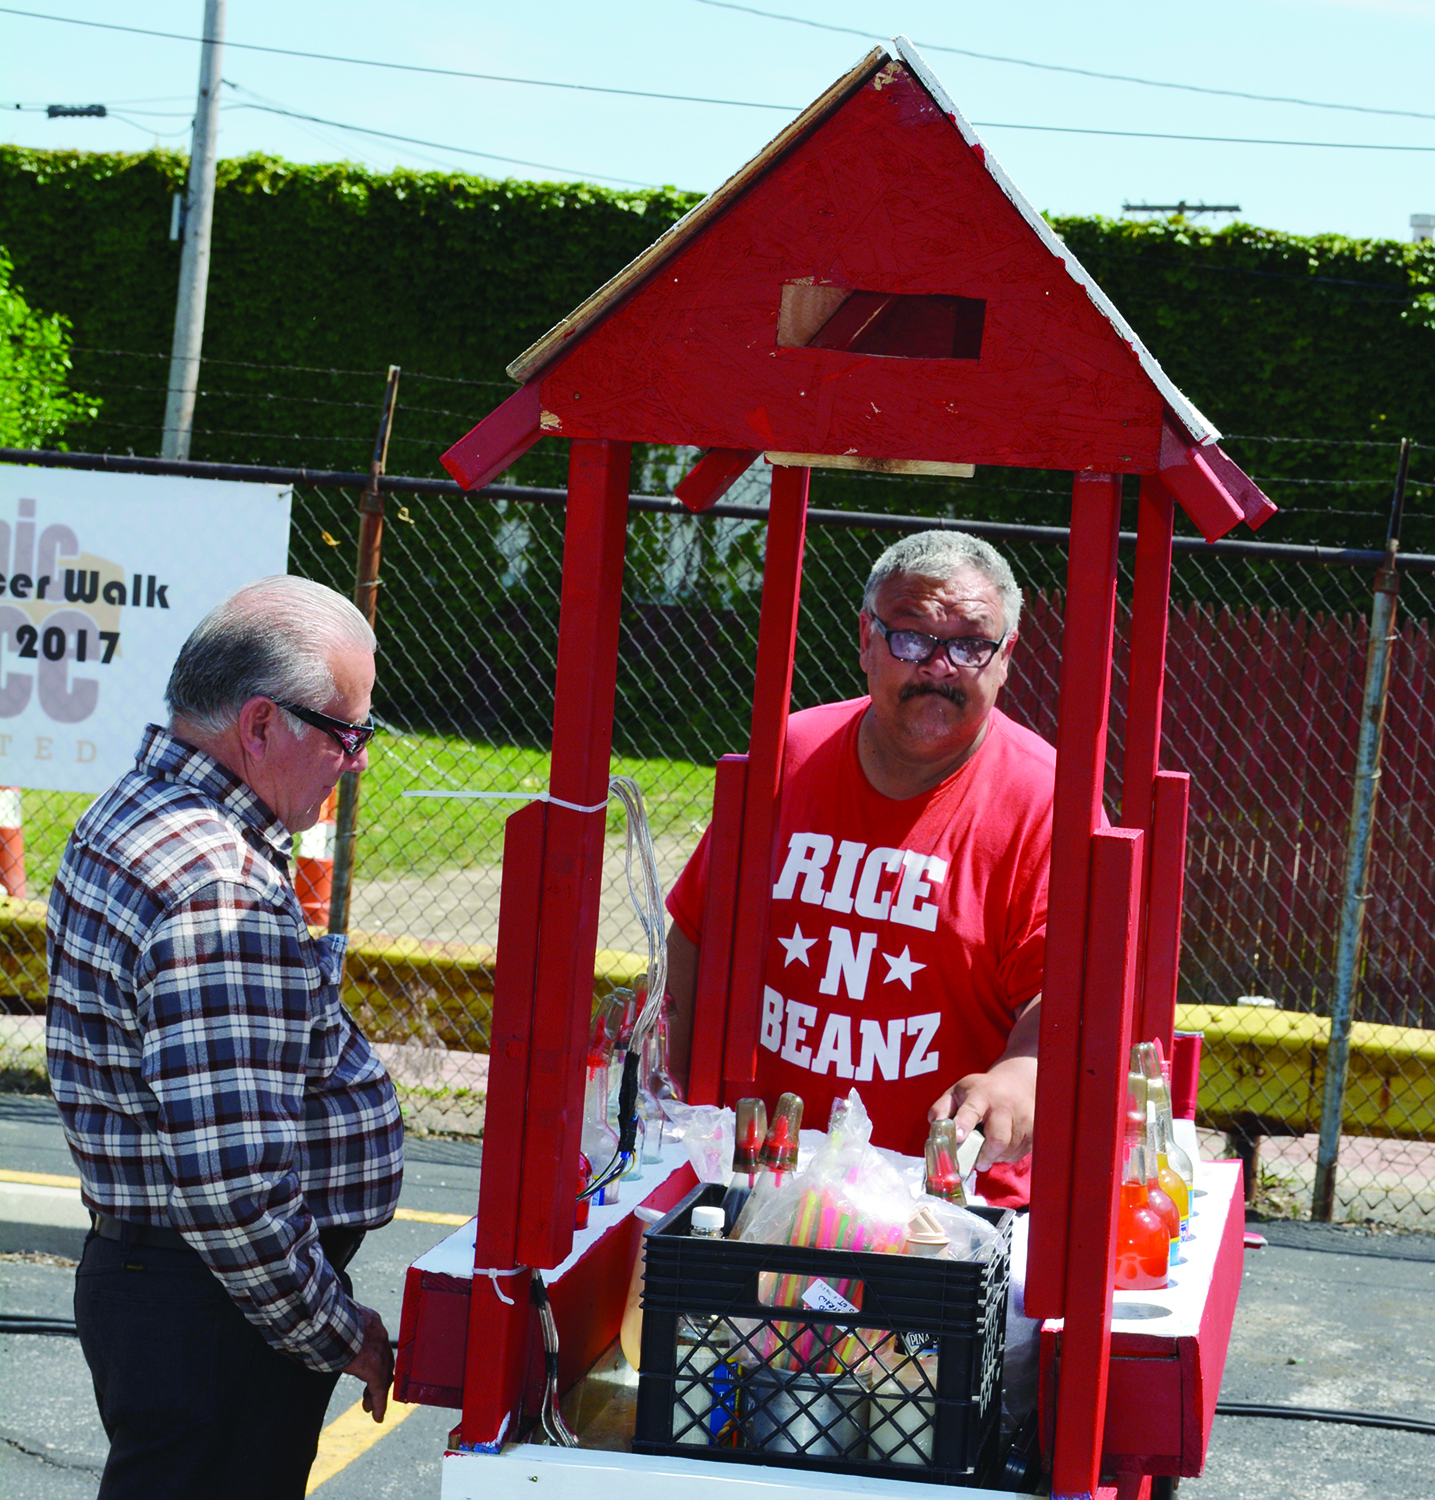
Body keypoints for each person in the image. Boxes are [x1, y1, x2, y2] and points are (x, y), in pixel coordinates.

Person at [46, 575, 404, 1500]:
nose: (356, 760)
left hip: (174, 1290)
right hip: (216, 1314)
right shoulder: (219, 883)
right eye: (347, 732)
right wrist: (335, 1329)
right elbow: (233, 1190)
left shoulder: (131, 812)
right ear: (258, 725)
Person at [665, 530, 1053, 1206]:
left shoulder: (1042, 797)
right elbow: (697, 933)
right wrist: (679, 1099)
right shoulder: (789, 753)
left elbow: (1064, 996)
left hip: (945, 1199)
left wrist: (1019, 1074)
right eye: (911, 637)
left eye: (969, 645)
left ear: (1005, 657)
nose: (938, 666)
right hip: (766, 1174)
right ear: (865, 640)